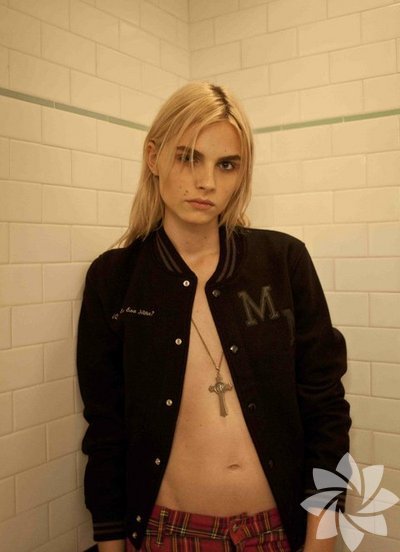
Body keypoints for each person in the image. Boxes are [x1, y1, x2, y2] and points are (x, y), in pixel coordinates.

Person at [77, 82, 351, 552]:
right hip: (167, 533)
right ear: (153, 157)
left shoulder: (283, 262)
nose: (207, 182)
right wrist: (111, 545)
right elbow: (106, 428)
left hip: (278, 531)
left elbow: (326, 410)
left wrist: (322, 541)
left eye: (226, 164)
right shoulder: (115, 278)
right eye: (189, 158)